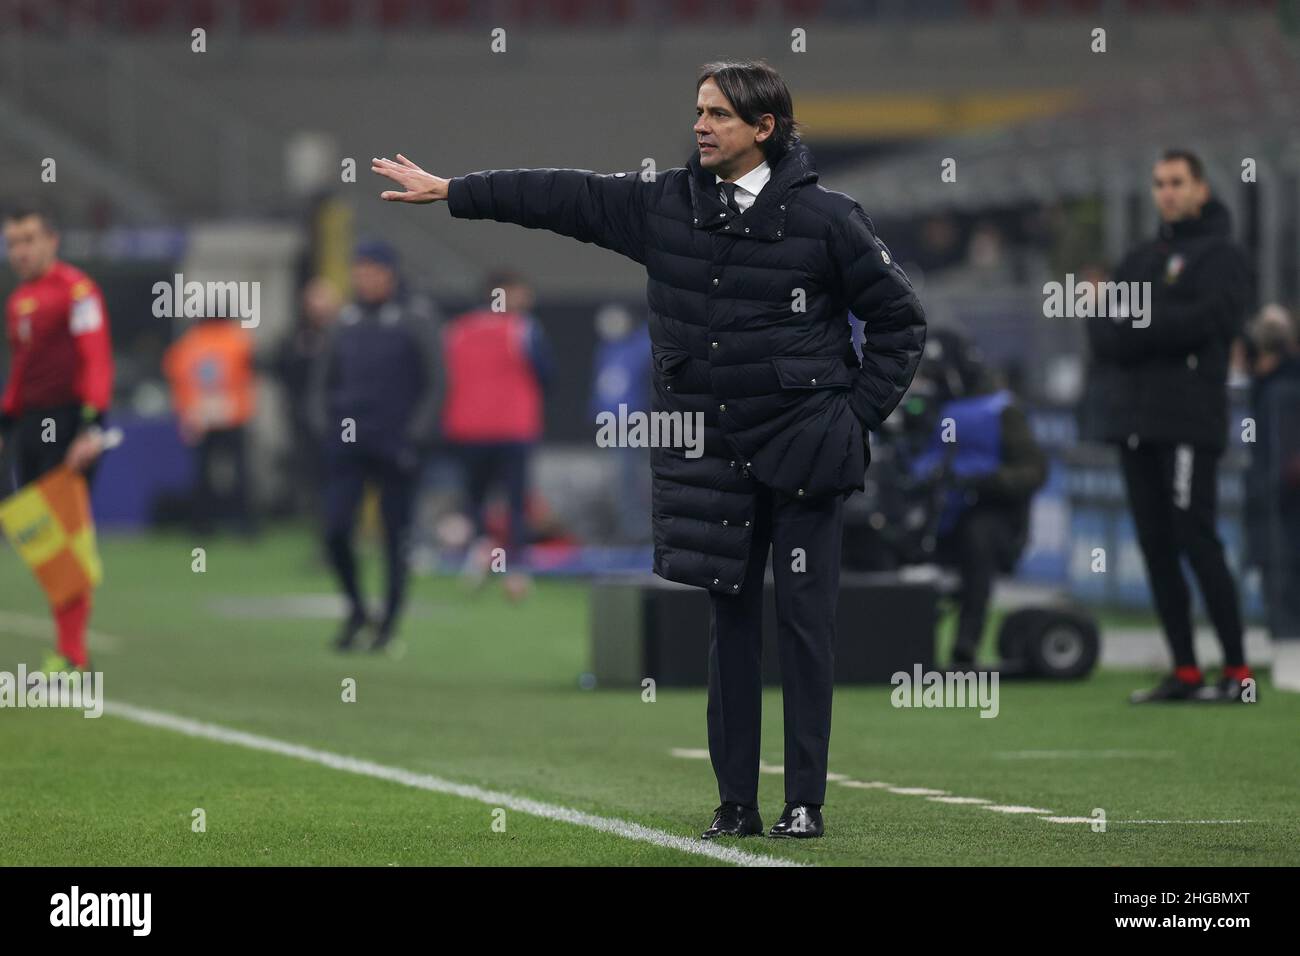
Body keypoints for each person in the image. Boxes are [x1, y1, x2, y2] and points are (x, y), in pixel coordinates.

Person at [371, 58, 926, 839]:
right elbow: (560, 197)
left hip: (806, 455)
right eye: (699, 111)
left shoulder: (830, 218)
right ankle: (736, 803)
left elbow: (901, 322)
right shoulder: (664, 206)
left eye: (719, 115)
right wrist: (457, 191)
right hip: (712, 457)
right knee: (729, 629)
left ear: (764, 128)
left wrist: (852, 417)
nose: (700, 125)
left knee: (806, 627)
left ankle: (805, 802)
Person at [1082, 149, 1255, 704]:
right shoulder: (1139, 257)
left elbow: (1212, 322)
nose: (1168, 192)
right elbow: (1104, 333)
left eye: (1178, 182)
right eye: (1159, 183)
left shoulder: (1222, 255)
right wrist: (1153, 324)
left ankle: (1237, 671)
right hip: (1135, 421)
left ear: (1201, 188)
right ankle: (1184, 670)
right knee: (1155, 544)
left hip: (1187, 420)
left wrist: (1142, 322)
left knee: (1195, 538)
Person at [310, 240, 443, 652]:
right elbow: (322, 382)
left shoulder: (414, 318)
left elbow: (436, 381)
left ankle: (388, 623)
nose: (365, 278)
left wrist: (416, 434)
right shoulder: (345, 321)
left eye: (373, 270)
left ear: (391, 273)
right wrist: (323, 425)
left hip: (395, 442)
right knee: (334, 530)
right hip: (348, 443)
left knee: (395, 536)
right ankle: (355, 609)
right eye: (360, 270)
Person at [0, 204, 112, 672]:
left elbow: (97, 358)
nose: (20, 251)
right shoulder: (19, 301)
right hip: (28, 425)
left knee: (64, 536)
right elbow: (23, 370)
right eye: (13, 243)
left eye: (29, 240)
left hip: (68, 425)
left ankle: (72, 653)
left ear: (52, 241)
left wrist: (93, 426)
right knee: (39, 536)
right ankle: (68, 649)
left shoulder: (77, 291)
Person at [907, 329, 1047, 667]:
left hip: (991, 513)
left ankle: (965, 644)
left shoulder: (1002, 411)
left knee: (977, 538)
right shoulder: (928, 410)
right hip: (935, 513)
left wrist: (982, 480)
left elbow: (1034, 471)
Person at [441, 270, 550, 601]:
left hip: (468, 429)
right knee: (516, 502)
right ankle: (514, 571)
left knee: (475, 499)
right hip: (513, 429)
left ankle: (483, 556)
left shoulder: (456, 330)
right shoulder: (523, 329)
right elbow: (547, 374)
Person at [162, 315, 257, 535]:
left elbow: (175, 377)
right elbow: (251, 372)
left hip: (200, 417)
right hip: (232, 414)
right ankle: (247, 525)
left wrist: (186, 415)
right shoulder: (239, 339)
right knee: (241, 472)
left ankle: (202, 526)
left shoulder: (187, 344)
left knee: (201, 474)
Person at [1241, 305, 1300, 644]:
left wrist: (1264, 492)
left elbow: (1279, 458)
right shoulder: (1273, 388)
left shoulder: (1279, 391)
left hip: (1280, 514)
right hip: (1278, 508)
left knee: (1283, 594)